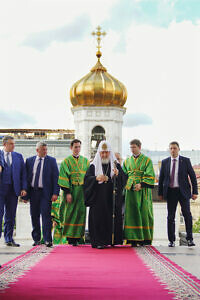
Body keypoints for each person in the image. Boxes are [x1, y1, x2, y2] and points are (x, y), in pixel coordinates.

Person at [84, 141, 127, 249]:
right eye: (102, 153)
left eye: (106, 153)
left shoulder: (115, 164)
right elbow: (87, 180)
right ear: (99, 153)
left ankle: (111, 240)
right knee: (98, 218)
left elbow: (124, 179)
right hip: (97, 198)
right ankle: (99, 241)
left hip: (111, 198)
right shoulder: (93, 165)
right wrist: (96, 178)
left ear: (109, 152)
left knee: (111, 218)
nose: (104, 155)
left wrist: (118, 175)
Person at [158, 141, 198, 247]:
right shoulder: (165, 162)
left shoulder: (185, 161)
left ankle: (190, 239)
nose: (172, 150)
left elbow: (193, 177)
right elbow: (161, 178)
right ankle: (171, 240)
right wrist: (160, 193)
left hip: (183, 192)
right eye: (171, 148)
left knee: (187, 215)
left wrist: (195, 192)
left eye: (174, 148)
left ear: (179, 149)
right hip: (171, 192)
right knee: (170, 217)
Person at [25, 141, 59, 247]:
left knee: (46, 216)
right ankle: (36, 239)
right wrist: (25, 196)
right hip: (33, 192)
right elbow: (26, 179)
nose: (45, 151)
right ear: (37, 150)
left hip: (46, 193)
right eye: (43, 149)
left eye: (46, 149)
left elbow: (56, 178)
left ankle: (48, 240)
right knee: (34, 216)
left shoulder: (52, 161)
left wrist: (55, 193)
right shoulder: (29, 161)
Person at [123, 139, 155, 246]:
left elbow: (150, 176)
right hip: (130, 191)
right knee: (131, 213)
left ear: (139, 147)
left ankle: (144, 238)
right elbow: (124, 175)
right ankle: (132, 238)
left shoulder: (147, 160)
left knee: (144, 212)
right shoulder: (126, 161)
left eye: (134, 147)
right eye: (131, 147)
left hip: (143, 191)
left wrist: (141, 184)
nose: (132, 150)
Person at [58, 139, 89, 246]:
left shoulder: (86, 161)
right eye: (75, 147)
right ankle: (70, 238)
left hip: (82, 192)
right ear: (71, 148)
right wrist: (67, 193)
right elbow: (63, 177)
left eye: (79, 147)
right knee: (70, 213)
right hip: (70, 191)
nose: (77, 149)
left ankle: (79, 237)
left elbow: (89, 177)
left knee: (80, 213)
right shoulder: (66, 161)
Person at [0, 136, 27, 247]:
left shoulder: (18, 156)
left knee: (10, 216)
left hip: (13, 190)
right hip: (1, 190)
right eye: (11, 143)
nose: (13, 146)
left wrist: (23, 188)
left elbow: (23, 174)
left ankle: (9, 239)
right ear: (5, 144)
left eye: (14, 143)